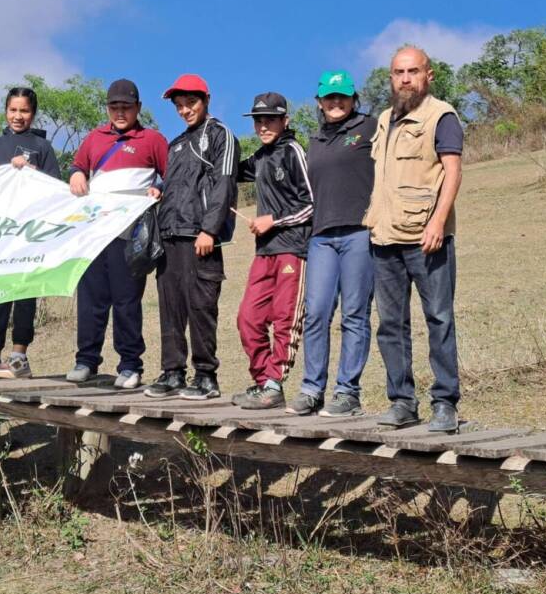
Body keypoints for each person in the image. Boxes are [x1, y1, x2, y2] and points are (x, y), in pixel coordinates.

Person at [364, 46, 465, 432]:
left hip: (427, 237)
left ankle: (445, 404)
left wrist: (438, 222)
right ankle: (402, 402)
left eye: (412, 71)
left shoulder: (442, 116)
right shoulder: (385, 120)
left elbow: (453, 173)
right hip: (385, 238)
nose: (405, 79)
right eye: (397, 72)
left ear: (429, 75)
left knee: (438, 319)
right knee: (390, 324)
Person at [67, 79, 170, 388]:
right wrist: (75, 174)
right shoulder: (94, 138)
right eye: (114, 107)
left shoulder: (152, 139)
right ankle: (86, 361)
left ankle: (130, 365)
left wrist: (160, 187)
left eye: (126, 106)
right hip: (95, 235)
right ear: (107, 108)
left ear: (138, 107)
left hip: (132, 237)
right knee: (91, 301)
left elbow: (172, 174)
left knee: (127, 303)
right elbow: (77, 166)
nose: (120, 112)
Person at [288, 70, 379, 418]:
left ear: (354, 99)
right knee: (316, 313)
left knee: (355, 314)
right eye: (330, 97)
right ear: (319, 102)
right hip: (321, 236)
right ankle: (312, 389)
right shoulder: (313, 140)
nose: (336, 102)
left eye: (342, 96)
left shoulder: (371, 128)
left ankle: (347, 392)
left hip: (360, 231)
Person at [144, 73, 239, 400]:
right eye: (180, 105)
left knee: (201, 307)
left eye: (191, 103)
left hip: (201, 238)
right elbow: (175, 186)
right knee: (170, 309)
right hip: (169, 236)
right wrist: (159, 190)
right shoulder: (177, 144)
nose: (185, 110)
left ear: (206, 100)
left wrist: (209, 230)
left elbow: (224, 185)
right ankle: (172, 373)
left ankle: (205, 377)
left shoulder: (220, 135)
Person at [0, 87, 64, 381]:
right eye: (13, 110)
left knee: (24, 295)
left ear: (33, 114)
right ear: (5, 111)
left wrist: (30, 170)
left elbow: (55, 189)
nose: (18, 116)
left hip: (29, 235)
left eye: (24, 111)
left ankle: (19, 357)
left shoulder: (42, 148)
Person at [232, 93, 313, 410]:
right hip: (263, 252)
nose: (263, 125)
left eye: (270, 119)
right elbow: (232, 172)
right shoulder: (260, 157)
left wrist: (274, 221)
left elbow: (312, 204)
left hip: (293, 249)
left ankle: (273, 383)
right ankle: (262, 382)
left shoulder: (293, 151)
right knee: (247, 318)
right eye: (258, 120)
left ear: (285, 121)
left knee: (284, 318)